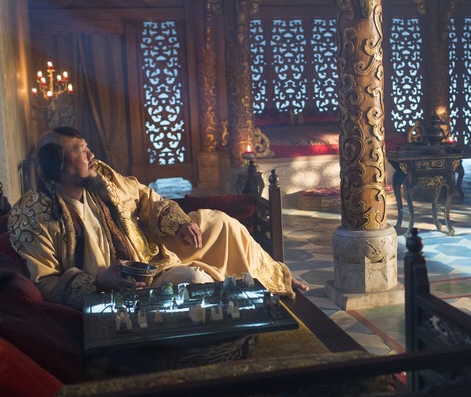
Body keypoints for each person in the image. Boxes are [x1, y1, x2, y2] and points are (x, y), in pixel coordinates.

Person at [8, 126, 308, 309]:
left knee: (218, 223)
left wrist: (178, 223)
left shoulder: (102, 177)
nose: (91, 155)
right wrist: (99, 282)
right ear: (58, 166)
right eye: (79, 151)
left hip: (150, 253)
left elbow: (145, 198)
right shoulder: (33, 216)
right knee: (194, 280)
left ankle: (274, 278)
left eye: (87, 147)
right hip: (123, 284)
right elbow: (46, 283)